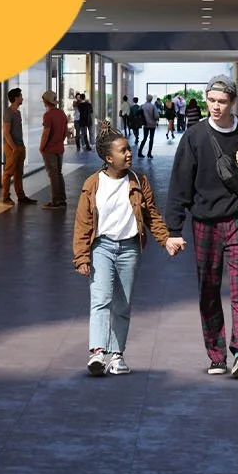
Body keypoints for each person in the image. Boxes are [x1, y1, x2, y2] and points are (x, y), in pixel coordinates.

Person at [164, 77, 238, 379]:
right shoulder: (194, 136)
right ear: (206, 100)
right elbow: (179, 184)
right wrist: (173, 230)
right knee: (209, 288)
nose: (216, 107)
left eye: (222, 101)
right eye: (211, 101)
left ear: (232, 102)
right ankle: (216, 355)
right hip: (205, 222)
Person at [71, 128, 180, 377]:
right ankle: (98, 352)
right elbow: (83, 223)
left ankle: (117, 356)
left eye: (129, 149)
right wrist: (81, 257)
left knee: (123, 304)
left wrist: (166, 241)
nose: (129, 153)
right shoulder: (93, 184)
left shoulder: (138, 181)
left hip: (130, 248)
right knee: (100, 299)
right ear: (109, 158)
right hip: (102, 247)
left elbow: (151, 215)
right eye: (123, 150)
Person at [1, 87, 35, 205]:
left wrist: (20, 146)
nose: (22, 98)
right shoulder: (8, 112)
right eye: (20, 96)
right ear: (16, 98)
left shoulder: (18, 112)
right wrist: (14, 147)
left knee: (19, 173)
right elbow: (6, 132)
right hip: (12, 147)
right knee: (8, 172)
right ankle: (6, 197)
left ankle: (21, 196)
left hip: (20, 146)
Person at [38, 90, 70, 211]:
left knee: (53, 175)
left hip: (49, 149)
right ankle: (62, 199)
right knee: (59, 173)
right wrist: (60, 140)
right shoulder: (61, 113)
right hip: (59, 148)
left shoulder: (48, 115)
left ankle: (56, 200)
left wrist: (42, 147)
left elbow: (46, 133)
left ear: (46, 102)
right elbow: (65, 131)